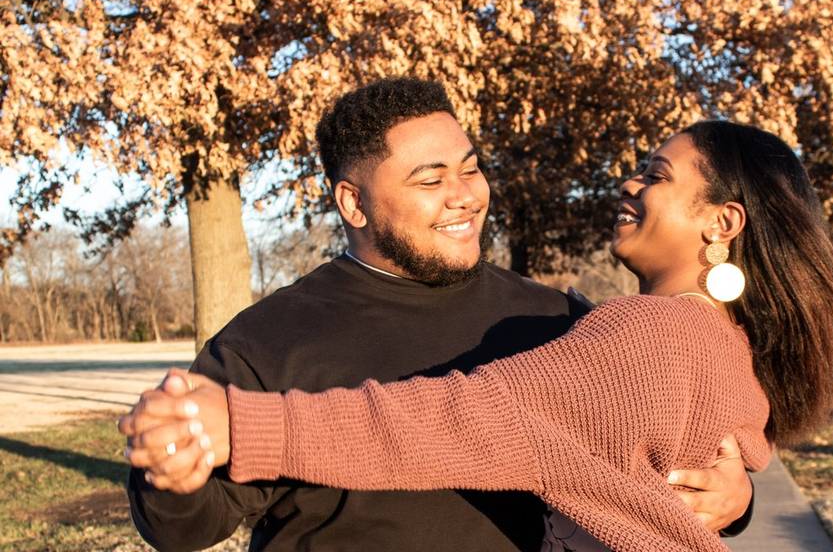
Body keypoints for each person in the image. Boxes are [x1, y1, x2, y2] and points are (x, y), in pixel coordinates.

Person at [121, 79, 755, 552]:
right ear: (354, 202)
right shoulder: (269, 338)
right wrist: (173, 471)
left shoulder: (554, 318)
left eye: (471, 168)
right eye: (431, 181)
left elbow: (655, 452)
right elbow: (188, 527)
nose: (465, 196)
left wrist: (734, 496)